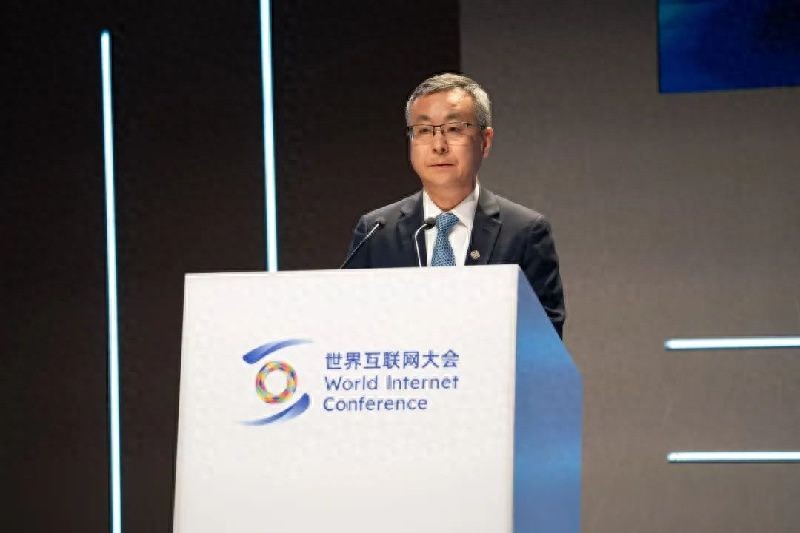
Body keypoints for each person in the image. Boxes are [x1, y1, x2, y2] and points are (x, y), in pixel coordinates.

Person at [344, 73, 565, 337]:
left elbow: (544, 338)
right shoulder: (376, 232)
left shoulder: (524, 232)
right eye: (424, 130)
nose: (438, 145)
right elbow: (350, 327)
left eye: (454, 129)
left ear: (485, 141)